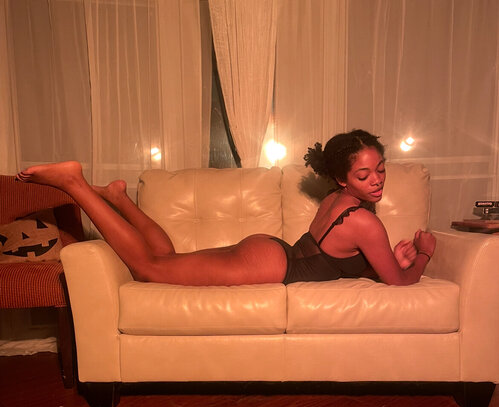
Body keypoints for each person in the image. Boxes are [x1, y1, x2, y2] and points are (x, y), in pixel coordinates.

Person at [15, 129, 436, 287]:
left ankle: (119, 198)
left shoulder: (336, 200)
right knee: (149, 270)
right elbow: (399, 283)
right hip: (271, 264)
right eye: (364, 175)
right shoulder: (364, 221)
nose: (377, 180)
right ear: (343, 179)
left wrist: (385, 262)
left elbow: (338, 261)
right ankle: (75, 184)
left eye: (381, 169)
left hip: (270, 252)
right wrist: (422, 257)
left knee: (166, 259)